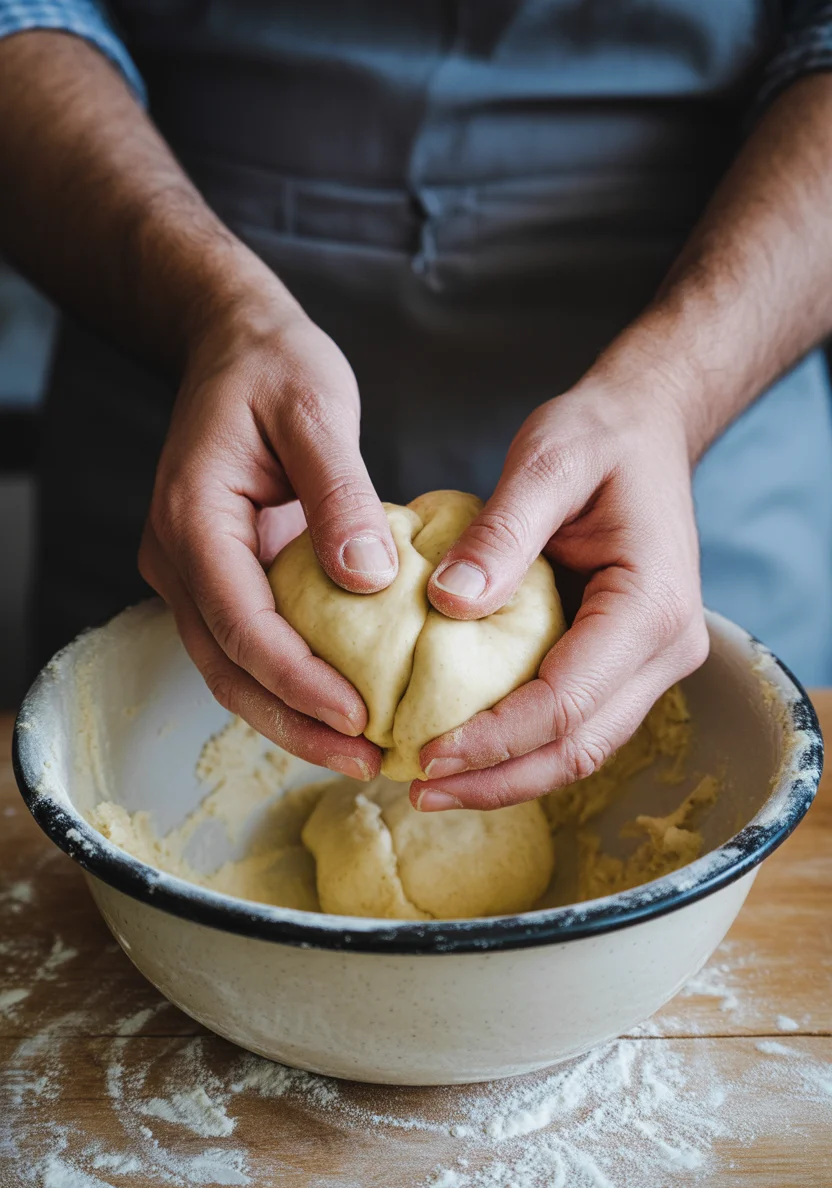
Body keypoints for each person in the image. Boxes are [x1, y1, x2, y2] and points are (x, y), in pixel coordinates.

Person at [1, 3, 831, 814]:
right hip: (177, 335)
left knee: (718, 775)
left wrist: (676, 388)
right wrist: (213, 314)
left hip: (711, 368)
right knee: (117, 778)